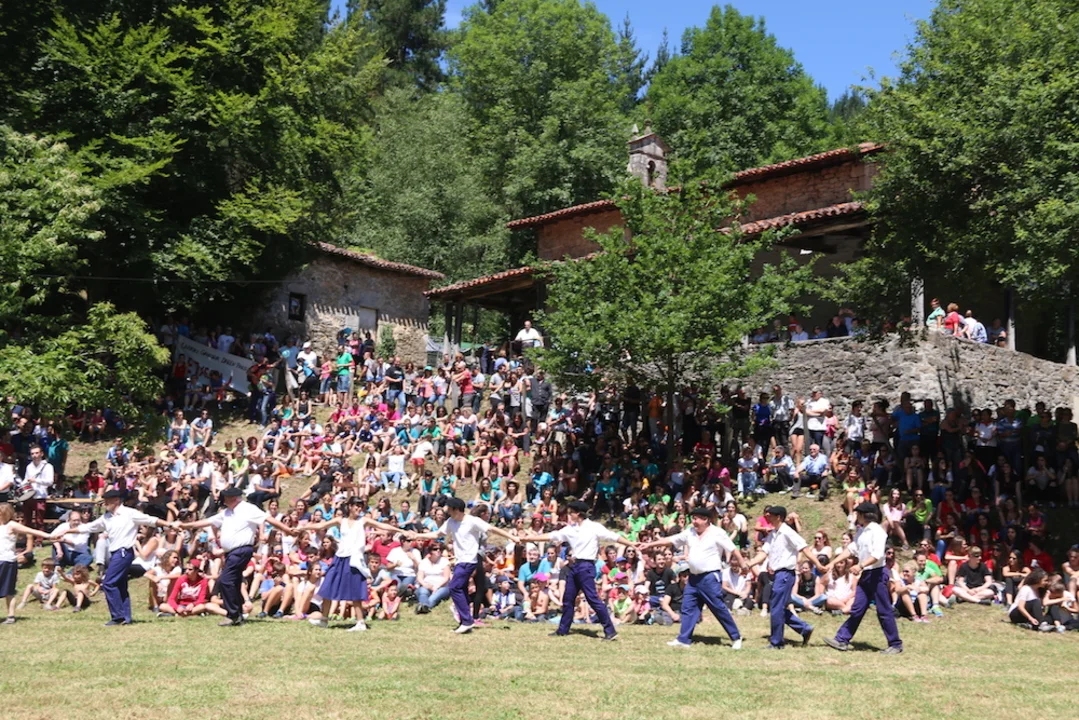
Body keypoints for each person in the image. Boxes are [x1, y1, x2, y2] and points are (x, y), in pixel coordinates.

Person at [52, 491, 175, 626]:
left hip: (123, 552)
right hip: (116, 553)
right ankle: (126, 617)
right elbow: (88, 527)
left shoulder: (129, 513)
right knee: (120, 585)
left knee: (108, 583)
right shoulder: (106, 517)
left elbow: (151, 520)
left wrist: (169, 524)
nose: (105, 503)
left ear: (116, 500)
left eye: (108, 500)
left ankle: (118, 617)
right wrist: (67, 531)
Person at [514, 500, 629, 641]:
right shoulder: (570, 529)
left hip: (586, 566)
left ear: (578, 514)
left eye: (571, 513)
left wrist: (631, 543)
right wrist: (528, 539)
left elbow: (614, 536)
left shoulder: (594, 527)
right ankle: (563, 630)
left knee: (593, 599)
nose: (569, 515)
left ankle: (610, 631)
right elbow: (551, 536)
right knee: (568, 599)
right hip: (574, 565)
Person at [179, 487, 293, 626]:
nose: (223, 500)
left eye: (225, 498)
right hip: (231, 553)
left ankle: (232, 614)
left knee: (225, 580)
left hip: (241, 550)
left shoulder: (248, 508)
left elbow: (268, 519)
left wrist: (286, 529)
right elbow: (208, 521)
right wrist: (186, 526)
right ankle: (238, 613)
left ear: (233, 498)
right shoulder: (226, 512)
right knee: (234, 581)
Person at [639, 507, 746, 650]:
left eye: (696, 519)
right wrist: (650, 544)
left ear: (705, 519)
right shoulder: (689, 532)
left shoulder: (717, 533)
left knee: (718, 608)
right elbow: (670, 540)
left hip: (710, 577)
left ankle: (736, 637)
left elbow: (732, 549)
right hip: (693, 578)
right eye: (693, 518)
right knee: (688, 607)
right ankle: (683, 639)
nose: (693, 522)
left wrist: (743, 564)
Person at [407, 497, 516, 634]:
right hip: (459, 561)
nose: (447, 511)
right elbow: (436, 534)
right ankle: (465, 619)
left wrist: (513, 537)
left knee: (454, 587)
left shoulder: (472, 521)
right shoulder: (451, 522)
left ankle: (467, 621)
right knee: (462, 590)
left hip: (469, 561)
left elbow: (492, 529)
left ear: (456, 509)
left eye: (449, 508)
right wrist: (417, 535)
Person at [304, 497, 400, 631]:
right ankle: (324, 619)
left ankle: (360, 623)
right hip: (339, 558)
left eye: (361, 506)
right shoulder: (340, 520)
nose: (359, 509)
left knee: (355, 591)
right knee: (328, 586)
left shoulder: (363, 520)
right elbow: (321, 526)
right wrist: (302, 527)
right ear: (349, 506)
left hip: (354, 560)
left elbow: (383, 526)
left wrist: (401, 531)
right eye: (356, 506)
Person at [822, 502, 903, 654]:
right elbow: (851, 550)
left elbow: (877, 555)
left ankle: (895, 644)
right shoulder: (861, 531)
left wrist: (860, 566)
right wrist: (832, 563)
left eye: (857, 513)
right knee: (857, 609)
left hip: (877, 574)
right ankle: (842, 639)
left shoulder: (877, 532)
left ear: (864, 515)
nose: (855, 516)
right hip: (866, 574)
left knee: (884, 610)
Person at [745, 506, 826, 649]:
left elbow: (804, 548)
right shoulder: (773, 534)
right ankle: (804, 628)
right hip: (778, 574)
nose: (768, 517)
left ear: (779, 517)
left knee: (776, 607)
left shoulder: (788, 532)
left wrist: (818, 564)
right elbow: (763, 553)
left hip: (785, 574)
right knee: (777, 606)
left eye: (771, 515)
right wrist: (750, 563)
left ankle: (777, 642)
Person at [2, 503, 56, 624]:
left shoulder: (11, 525)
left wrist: (49, 536)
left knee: (9, 591)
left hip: (7, 562)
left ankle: (11, 616)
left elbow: (31, 531)